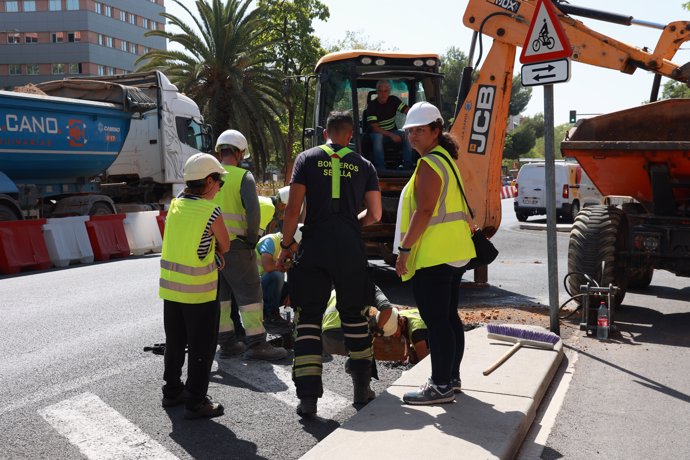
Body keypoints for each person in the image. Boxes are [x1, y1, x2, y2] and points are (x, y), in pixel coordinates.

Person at [278, 110, 382, 417]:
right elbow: (375, 214)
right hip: (350, 249)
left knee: (308, 320)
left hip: (315, 246)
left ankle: (308, 399)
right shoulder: (365, 165)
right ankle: (362, 391)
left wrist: (286, 246)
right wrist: (351, 225)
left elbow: (293, 208)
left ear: (326, 132)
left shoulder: (306, 159)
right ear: (350, 135)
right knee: (355, 317)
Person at [394, 101, 476, 405]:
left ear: (436, 131)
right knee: (449, 318)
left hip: (434, 254)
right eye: (410, 131)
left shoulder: (429, 164)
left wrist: (404, 249)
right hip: (454, 252)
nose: (413, 136)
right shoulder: (446, 159)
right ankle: (450, 378)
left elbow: (425, 210)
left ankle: (440, 385)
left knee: (436, 321)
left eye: (419, 130)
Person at [159, 153, 230, 419]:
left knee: (175, 342)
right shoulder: (211, 211)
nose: (220, 187)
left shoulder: (175, 205)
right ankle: (196, 401)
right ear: (210, 181)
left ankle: (172, 391)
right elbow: (225, 245)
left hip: (171, 289)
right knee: (202, 347)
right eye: (220, 182)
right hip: (200, 292)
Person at [212, 129, 287, 361]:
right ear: (240, 152)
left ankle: (226, 343)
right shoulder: (243, 177)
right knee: (250, 295)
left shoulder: (209, 176)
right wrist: (252, 238)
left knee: (221, 298)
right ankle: (256, 343)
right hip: (237, 246)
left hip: (212, 250)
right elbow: (253, 213)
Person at [256, 225, 303, 332]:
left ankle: (273, 314)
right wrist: (287, 265)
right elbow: (268, 267)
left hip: (265, 288)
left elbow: (293, 277)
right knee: (277, 275)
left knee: (297, 288)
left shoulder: (290, 250)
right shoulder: (271, 241)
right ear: (292, 240)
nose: (299, 249)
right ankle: (270, 317)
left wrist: (292, 293)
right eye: (299, 245)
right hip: (254, 287)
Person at [366, 80, 413, 170]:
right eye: (380, 91)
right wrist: (392, 135)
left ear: (389, 92)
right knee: (378, 137)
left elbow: (409, 111)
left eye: (386, 91)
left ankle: (408, 167)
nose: (383, 94)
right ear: (377, 92)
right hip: (376, 134)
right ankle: (380, 168)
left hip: (392, 131)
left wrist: (409, 126)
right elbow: (375, 128)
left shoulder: (394, 100)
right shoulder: (372, 105)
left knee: (407, 135)